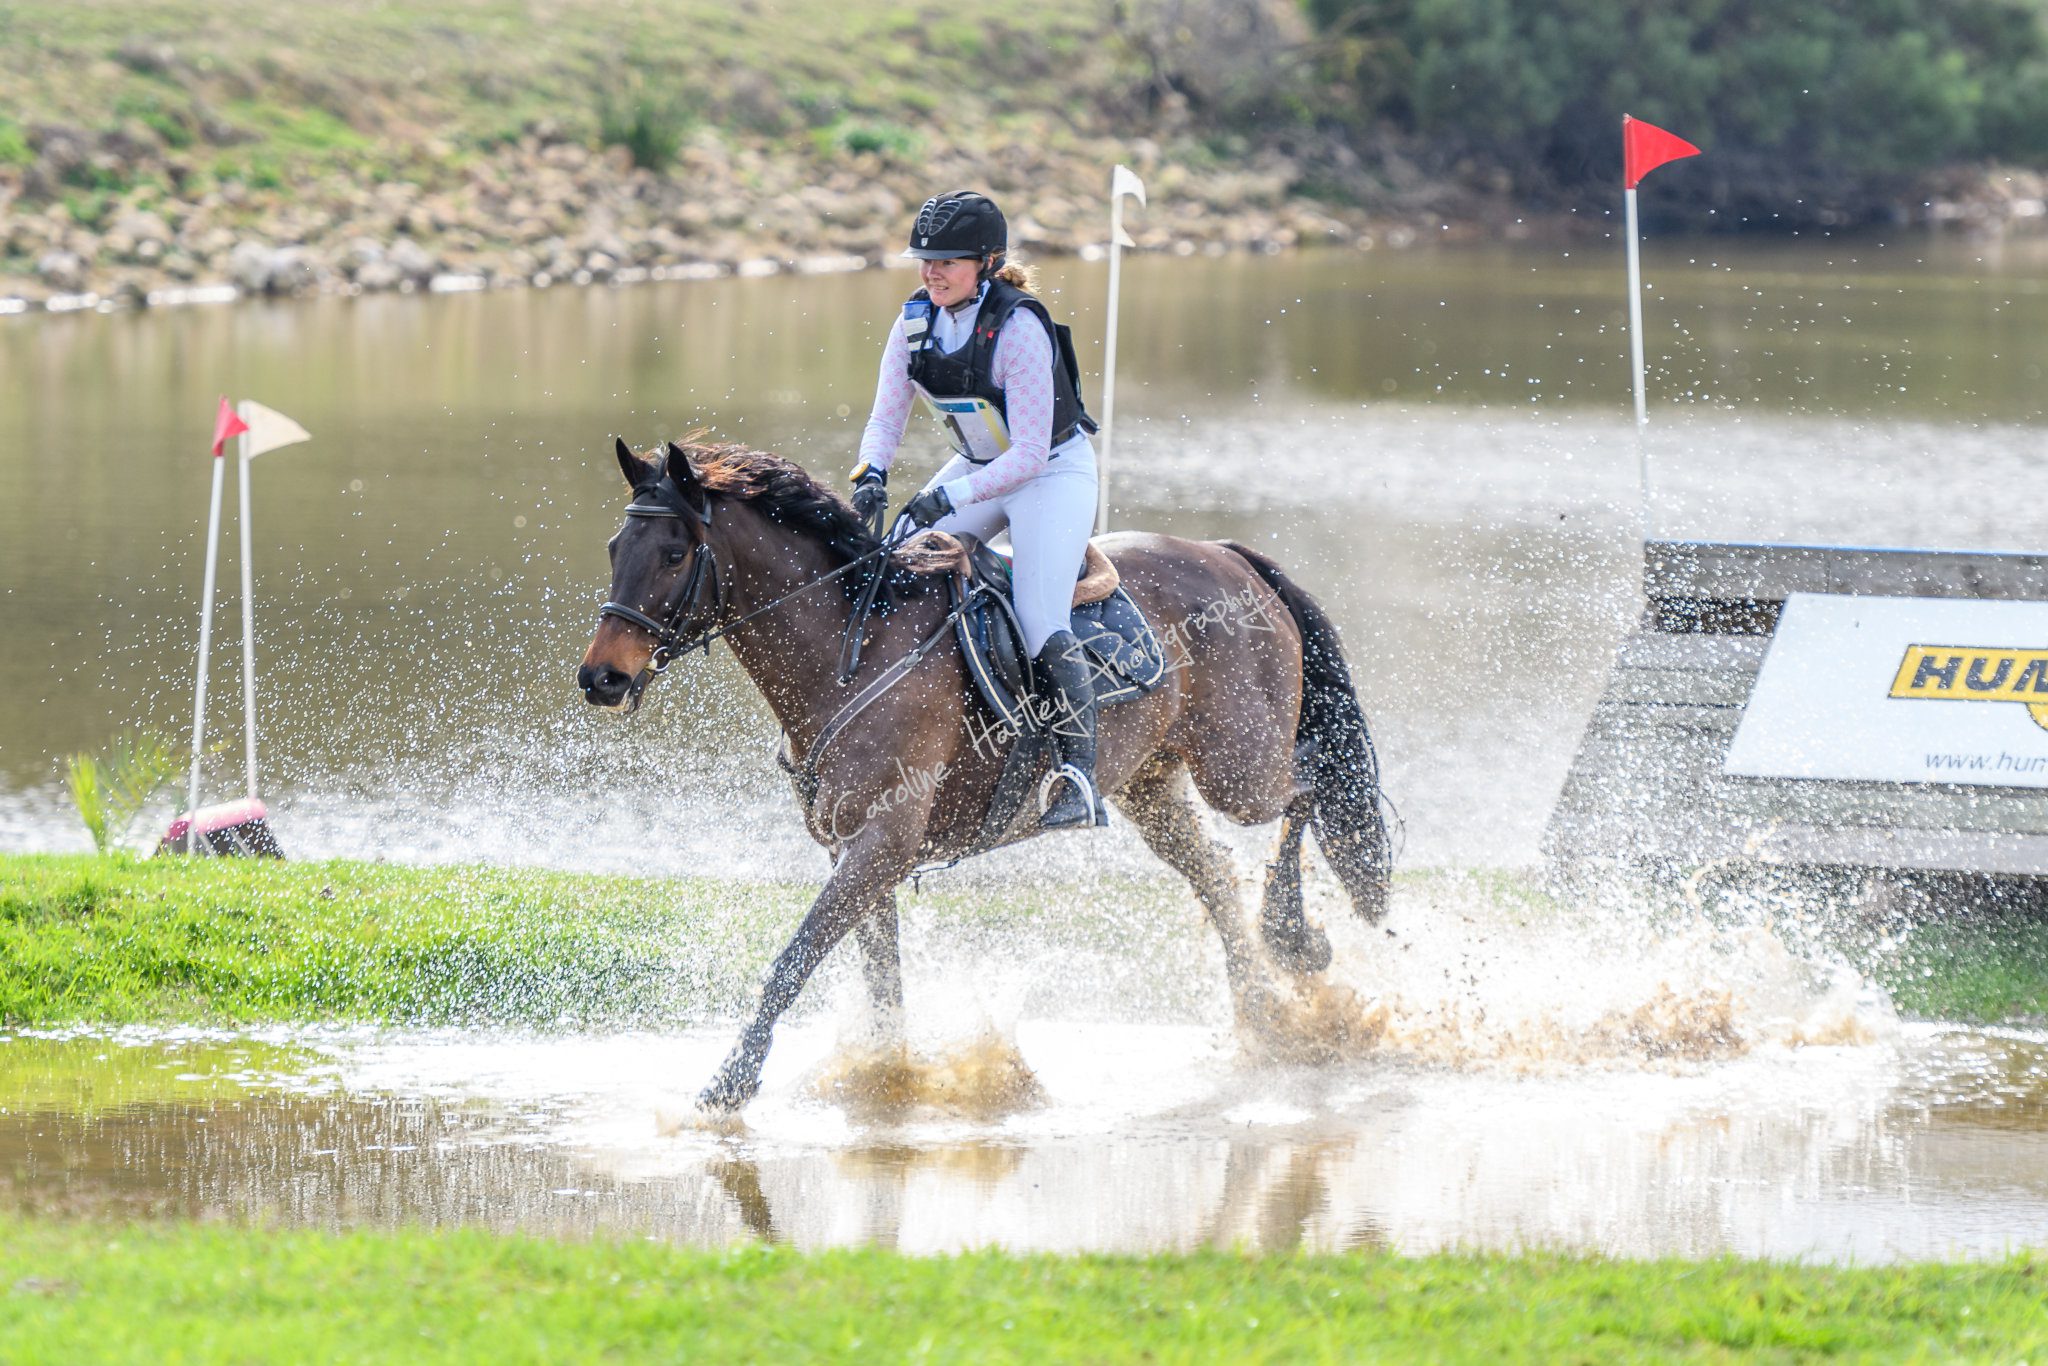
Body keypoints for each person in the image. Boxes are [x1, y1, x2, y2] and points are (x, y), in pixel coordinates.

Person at [848, 190, 1108, 830]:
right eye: (925, 261)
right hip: (976, 465)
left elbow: (1025, 455)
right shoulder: (914, 322)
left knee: (1039, 611)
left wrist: (951, 495)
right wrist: (871, 474)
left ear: (988, 262)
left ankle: (1079, 778)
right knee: (889, 563)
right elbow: (887, 414)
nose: (931, 273)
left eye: (948, 263)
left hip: (1048, 473)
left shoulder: (1018, 327)